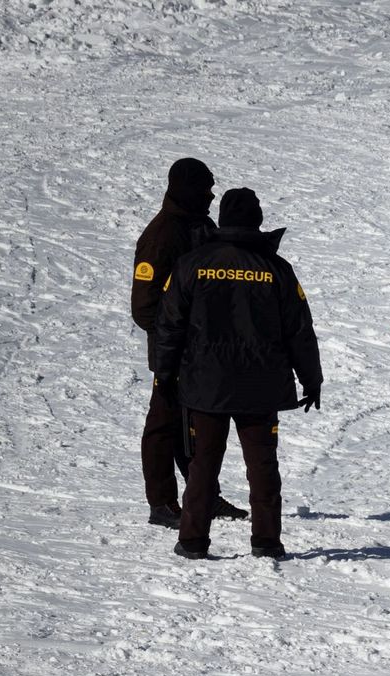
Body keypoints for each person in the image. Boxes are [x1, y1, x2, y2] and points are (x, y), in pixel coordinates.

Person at [153, 188, 322, 560]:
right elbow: (300, 330)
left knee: (203, 464)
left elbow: (169, 325)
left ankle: (192, 540)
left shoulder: (192, 264)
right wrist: (312, 379)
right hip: (260, 386)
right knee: (262, 465)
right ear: (257, 220)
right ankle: (267, 541)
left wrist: (164, 374)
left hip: (205, 385)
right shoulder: (276, 269)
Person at [131, 158, 247, 527]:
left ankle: (204, 496)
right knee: (164, 423)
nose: (212, 195)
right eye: (205, 189)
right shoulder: (161, 236)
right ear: (188, 191)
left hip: (203, 349)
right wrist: (176, 337)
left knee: (197, 425)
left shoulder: (202, 226)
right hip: (174, 352)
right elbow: (143, 307)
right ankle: (162, 502)